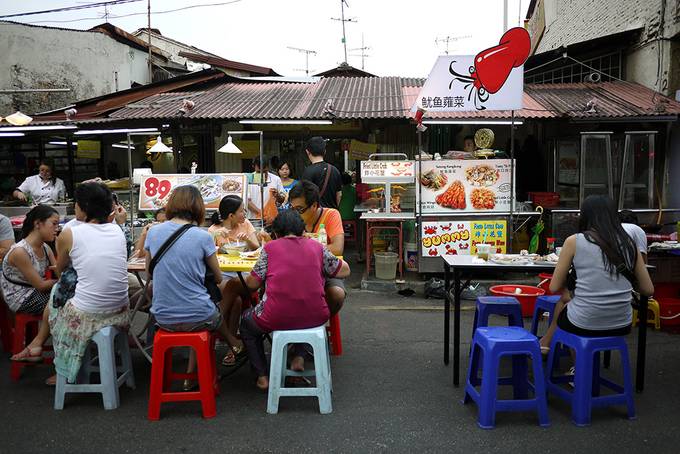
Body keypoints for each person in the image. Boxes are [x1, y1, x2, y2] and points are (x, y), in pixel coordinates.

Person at [239, 210, 350, 390]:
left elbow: (252, 284)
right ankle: (298, 357)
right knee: (300, 314)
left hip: (275, 316)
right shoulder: (317, 247)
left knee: (246, 323)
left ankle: (262, 376)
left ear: (276, 232)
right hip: (316, 315)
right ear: (302, 230)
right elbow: (344, 270)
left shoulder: (269, 248)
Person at [144, 186, 240, 379]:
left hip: (162, 318)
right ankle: (231, 345)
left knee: (207, 305)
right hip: (198, 317)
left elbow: (149, 274)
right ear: (198, 207)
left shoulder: (153, 233)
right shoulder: (202, 236)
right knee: (215, 304)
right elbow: (219, 277)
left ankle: (195, 372)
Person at [538, 195, 654, 355]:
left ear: (585, 216)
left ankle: (576, 369)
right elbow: (648, 289)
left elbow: (554, 286)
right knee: (570, 306)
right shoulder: (630, 243)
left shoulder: (574, 241)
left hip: (584, 321)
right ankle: (579, 366)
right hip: (622, 324)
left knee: (566, 308)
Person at [288, 180, 346, 314]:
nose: (296, 213)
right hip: (296, 271)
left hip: (326, 270)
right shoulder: (292, 220)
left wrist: (306, 247)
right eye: (292, 208)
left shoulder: (331, 215)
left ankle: (320, 322)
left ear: (314, 205)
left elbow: (337, 248)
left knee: (336, 294)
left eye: (299, 209)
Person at [2, 206, 58, 343]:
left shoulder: (45, 247)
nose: (57, 228)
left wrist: (59, 247)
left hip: (34, 291)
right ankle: (37, 345)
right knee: (64, 303)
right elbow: (41, 285)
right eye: (54, 224)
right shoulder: (20, 251)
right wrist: (61, 282)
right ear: (38, 224)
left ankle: (38, 344)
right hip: (21, 297)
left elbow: (59, 272)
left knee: (70, 299)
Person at [301, 137, 342, 209]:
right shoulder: (334, 170)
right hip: (331, 215)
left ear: (307, 152)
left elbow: (305, 196)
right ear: (325, 151)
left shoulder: (307, 172)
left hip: (315, 215)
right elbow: (339, 195)